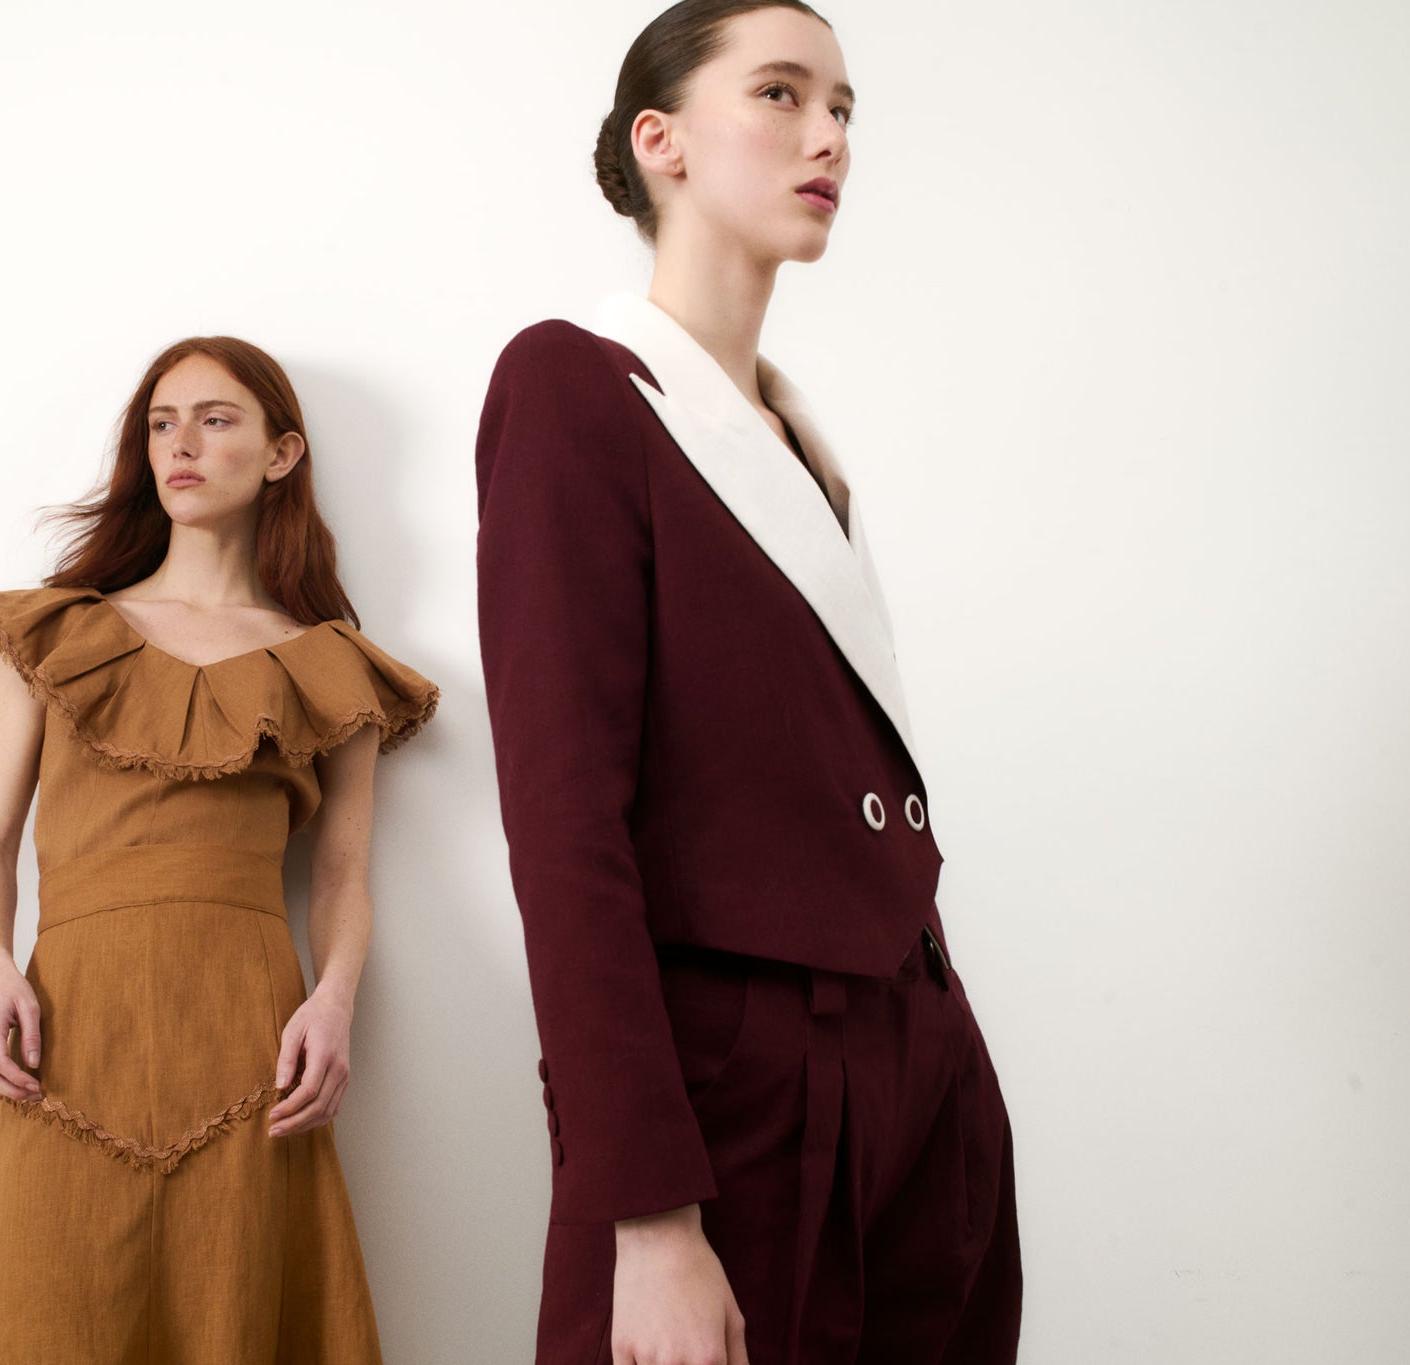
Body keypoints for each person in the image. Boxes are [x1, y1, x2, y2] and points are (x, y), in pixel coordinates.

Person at [473, 3, 1021, 1362]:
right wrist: (645, 1212)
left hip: (920, 1059)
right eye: (779, 93)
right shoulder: (575, 385)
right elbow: (565, 827)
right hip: (742, 1092)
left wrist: (944, 1072)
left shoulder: (797, 440)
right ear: (657, 140)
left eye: (842, 108)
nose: (827, 134)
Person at [0, 336, 440, 1363]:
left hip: (248, 1045)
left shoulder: (326, 665)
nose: (181, 444)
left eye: (216, 420)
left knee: (237, 1309)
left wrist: (334, 1002)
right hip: (69, 1035)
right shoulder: (53, 635)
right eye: (162, 423)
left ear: (281, 454)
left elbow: (342, 876)